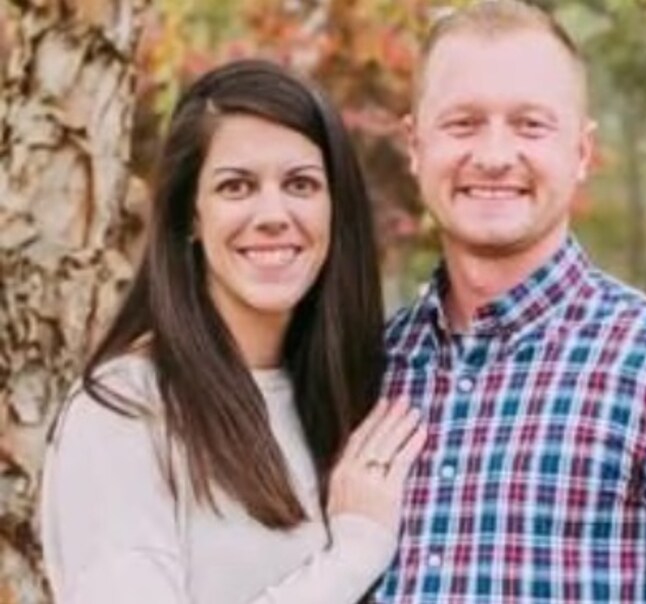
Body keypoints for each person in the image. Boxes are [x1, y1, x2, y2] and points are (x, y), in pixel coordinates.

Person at [374, 1, 646, 602]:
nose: (494, 156)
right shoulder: (368, 367)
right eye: (463, 123)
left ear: (581, 152)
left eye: (530, 125)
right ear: (415, 145)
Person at [41, 59, 426, 604]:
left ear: (335, 210)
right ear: (191, 217)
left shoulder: (348, 398)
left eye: (300, 184)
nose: (273, 214)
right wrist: (354, 555)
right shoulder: (127, 410)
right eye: (236, 186)